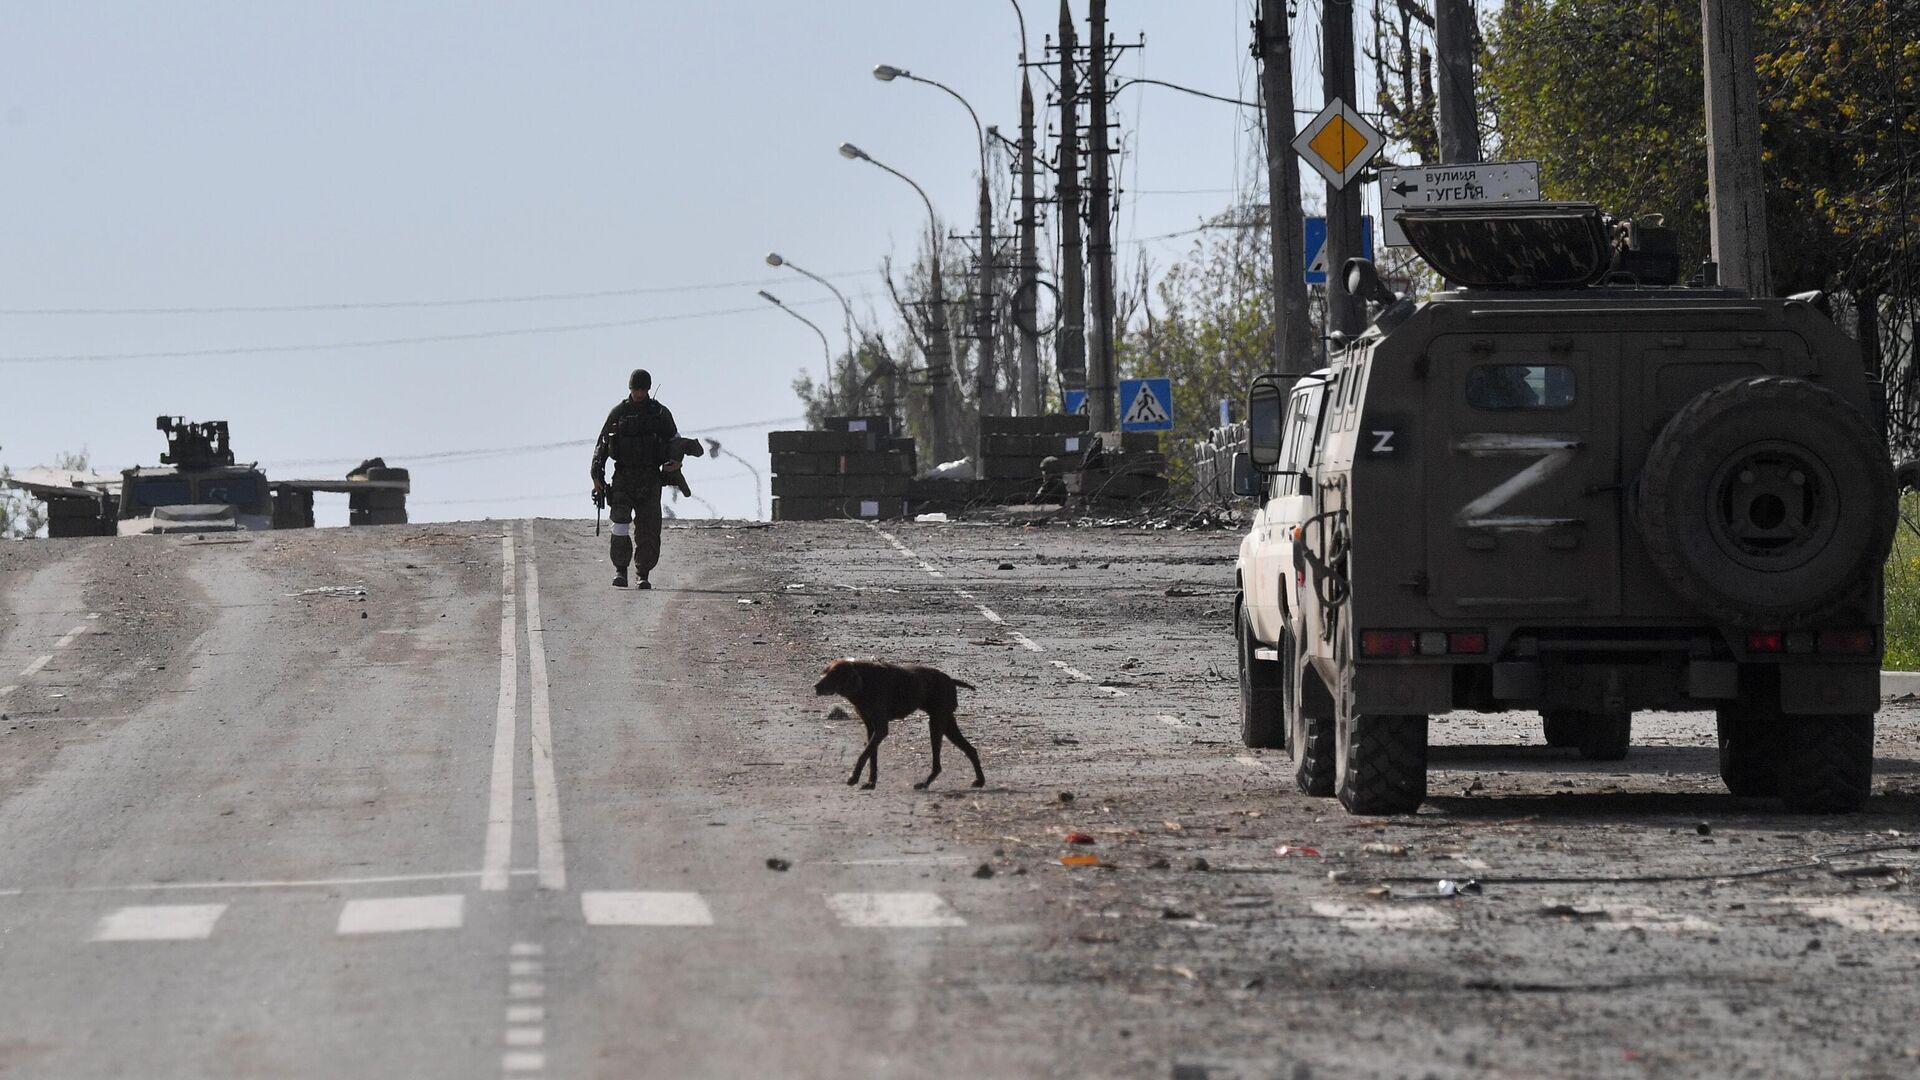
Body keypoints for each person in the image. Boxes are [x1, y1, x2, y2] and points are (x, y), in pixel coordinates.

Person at [591, 368, 679, 589]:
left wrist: (676, 463)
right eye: (636, 388)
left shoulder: (660, 414)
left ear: (648, 389)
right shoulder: (618, 413)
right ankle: (621, 569)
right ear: (630, 388)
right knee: (620, 523)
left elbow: (676, 441)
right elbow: (602, 445)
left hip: (650, 477)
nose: (639, 393)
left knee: (648, 529)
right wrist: (596, 476)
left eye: (642, 389)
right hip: (623, 476)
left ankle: (643, 573)